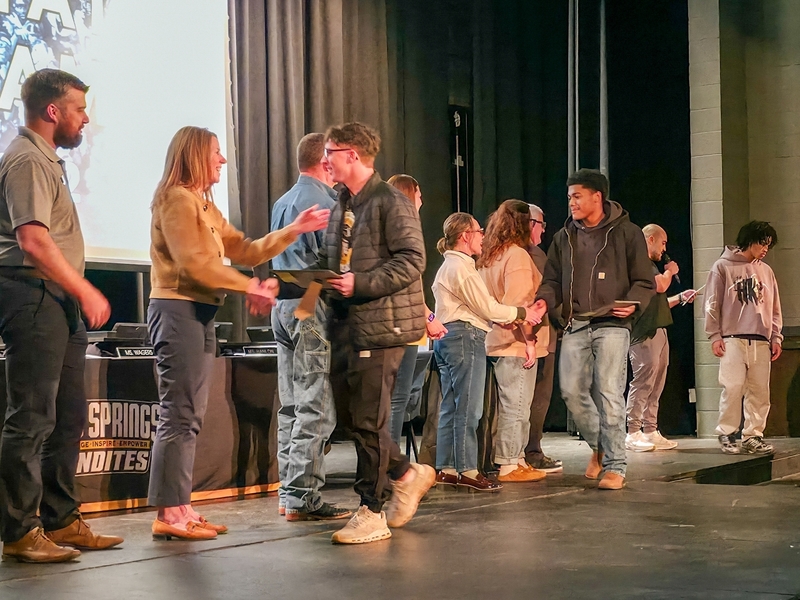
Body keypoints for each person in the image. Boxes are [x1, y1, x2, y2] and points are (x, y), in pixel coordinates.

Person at [147, 126, 329, 540]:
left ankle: (181, 507)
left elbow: (244, 249)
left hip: (199, 312)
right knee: (178, 414)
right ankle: (168, 514)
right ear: (195, 155)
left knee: (188, 414)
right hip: (177, 310)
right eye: (216, 153)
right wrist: (249, 286)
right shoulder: (177, 200)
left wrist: (293, 230)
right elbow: (195, 263)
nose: (222, 161)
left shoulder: (204, 206)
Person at [0, 69, 123, 563]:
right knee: (30, 417)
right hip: (33, 294)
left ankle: (61, 518)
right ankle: (18, 531)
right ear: (53, 111)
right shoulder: (27, 158)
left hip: (57, 299)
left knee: (67, 416)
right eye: (78, 109)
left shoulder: (47, 158)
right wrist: (84, 288)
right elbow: (32, 241)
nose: (85, 119)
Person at [309, 122, 435, 544]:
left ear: (353, 155)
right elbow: (337, 261)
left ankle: (372, 509)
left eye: (331, 151)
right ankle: (404, 472)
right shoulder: (342, 201)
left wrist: (360, 284)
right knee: (350, 419)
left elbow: (413, 259)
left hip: (383, 326)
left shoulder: (389, 201)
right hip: (346, 324)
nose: (325, 159)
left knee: (367, 418)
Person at [531, 169, 654, 490]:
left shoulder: (627, 234)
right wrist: (545, 303)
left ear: (596, 197)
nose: (571, 202)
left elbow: (645, 281)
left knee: (610, 393)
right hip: (575, 324)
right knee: (571, 392)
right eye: (569, 196)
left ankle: (615, 465)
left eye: (577, 196)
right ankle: (601, 444)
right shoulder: (564, 237)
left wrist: (633, 303)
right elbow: (552, 280)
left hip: (613, 325)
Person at [271, 133, 351, 522]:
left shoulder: (283, 201)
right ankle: (303, 497)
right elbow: (334, 262)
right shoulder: (326, 202)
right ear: (324, 160)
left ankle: (288, 494)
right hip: (309, 300)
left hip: (282, 305)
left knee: (291, 403)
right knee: (316, 405)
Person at [432, 212, 541, 492]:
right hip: (464, 337)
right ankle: (467, 469)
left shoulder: (452, 266)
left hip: (449, 338)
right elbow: (488, 308)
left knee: (451, 407)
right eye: (479, 231)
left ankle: (446, 468)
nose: (483, 236)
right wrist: (522, 312)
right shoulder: (461, 268)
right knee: (469, 408)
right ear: (465, 236)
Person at [477, 200, 546, 483]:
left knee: (512, 404)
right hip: (514, 343)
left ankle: (516, 458)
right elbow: (520, 305)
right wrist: (530, 340)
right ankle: (508, 462)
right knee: (516, 405)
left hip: (494, 340)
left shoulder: (490, 255)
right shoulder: (516, 255)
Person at [704, 221, 782, 455]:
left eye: (769, 244)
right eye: (762, 242)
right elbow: (711, 303)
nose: (766, 248)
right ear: (749, 241)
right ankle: (727, 433)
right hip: (732, 337)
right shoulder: (722, 266)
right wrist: (714, 335)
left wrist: (776, 336)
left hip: (760, 338)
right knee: (733, 386)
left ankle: (753, 435)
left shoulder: (766, 271)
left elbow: (775, 307)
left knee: (760, 390)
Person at [386, 174, 447, 446]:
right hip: (403, 323)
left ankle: (385, 461)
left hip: (388, 323)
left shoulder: (383, 228)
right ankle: (388, 462)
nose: (422, 199)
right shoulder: (405, 230)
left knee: (390, 398)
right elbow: (409, 282)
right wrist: (429, 318)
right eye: (419, 193)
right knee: (397, 397)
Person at [626, 224, 696, 452]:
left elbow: (660, 300)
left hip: (659, 328)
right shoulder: (640, 264)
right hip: (643, 331)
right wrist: (671, 271)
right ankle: (632, 431)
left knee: (657, 382)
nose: (664, 248)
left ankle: (650, 429)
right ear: (651, 239)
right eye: (663, 243)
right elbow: (660, 285)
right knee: (643, 380)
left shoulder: (652, 267)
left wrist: (680, 297)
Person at [524, 204, 562, 473]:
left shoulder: (497, 253)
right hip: (538, 335)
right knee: (538, 396)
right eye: (540, 224)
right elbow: (548, 293)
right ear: (529, 224)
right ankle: (531, 452)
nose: (543, 229)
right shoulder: (534, 256)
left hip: (517, 337)